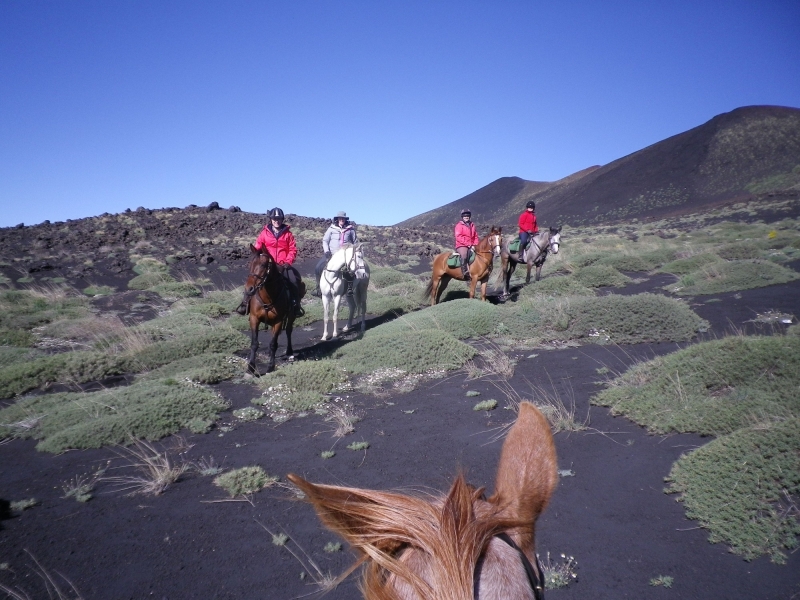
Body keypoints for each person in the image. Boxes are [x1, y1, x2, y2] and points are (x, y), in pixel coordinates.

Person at [236, 207, 302, 315]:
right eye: (274, 219)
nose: (277, 221)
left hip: (282, 264)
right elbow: (258, 246)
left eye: (279, 218)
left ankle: (295, 305)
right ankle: (245, 304)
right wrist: (256, 256)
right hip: (267, 264)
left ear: (282, 219)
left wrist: (287, 262)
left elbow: (292, 249)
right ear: (271, 219)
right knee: (252, 280)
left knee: (293, 280)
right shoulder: (264, 233)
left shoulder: (288, 234)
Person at [314, 211, 358, 296]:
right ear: (337, 219)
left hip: (345, 256)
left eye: (343, 218)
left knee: (351, 270)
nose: (342, 220)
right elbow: (325, 241)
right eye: (340, 218)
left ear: (345, 219)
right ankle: (318, 288)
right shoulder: (331, 228)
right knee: (318, 267)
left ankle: (349, 288)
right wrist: (326, 251)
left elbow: (355, 242)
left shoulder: (350, 230)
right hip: (331, 254)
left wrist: (352, 252)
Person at [454, 208, 479, 282]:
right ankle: (465, 272)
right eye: (465, 215)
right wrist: (468, 244)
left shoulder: (472, 225)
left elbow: (475, 236)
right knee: (464, 255)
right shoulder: (459, 225)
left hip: (471, 245)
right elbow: (458, 236)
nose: (466, 217)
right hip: (461, 245)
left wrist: (475, 244)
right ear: (462, 216)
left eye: (468, 215)